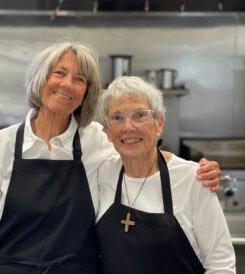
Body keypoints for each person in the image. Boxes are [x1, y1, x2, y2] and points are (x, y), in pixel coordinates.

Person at [0, 41, 221, 274]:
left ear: (85, 94)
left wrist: (195, 170)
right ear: (40, 79)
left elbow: (136, 145)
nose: (68, 84)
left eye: (80, 79)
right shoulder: (1, 145)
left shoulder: (96, 140)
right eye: (59, 73)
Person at [96, 76, 235, 274]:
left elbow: (221, 265)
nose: (128, 127)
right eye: (117, 118)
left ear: (158, 124)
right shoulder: (101, 173)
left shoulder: (192, 179)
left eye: (139, 115)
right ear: (108, 130)